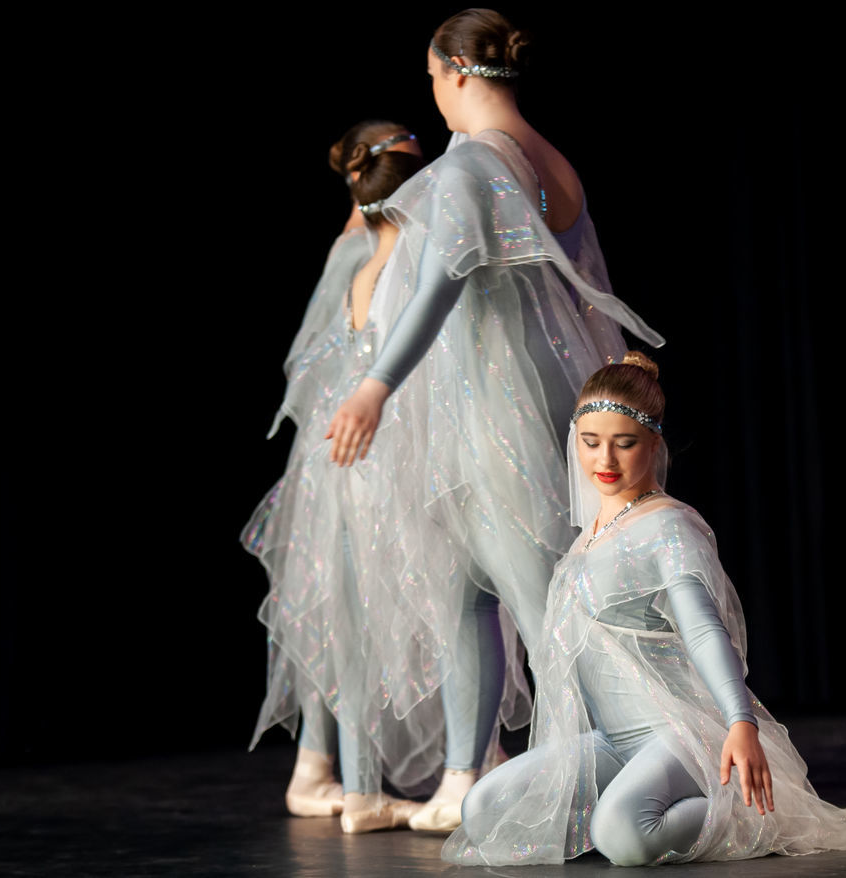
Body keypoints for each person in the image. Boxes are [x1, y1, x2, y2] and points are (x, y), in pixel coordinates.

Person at [325, 8, 665, 832]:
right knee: (463, 588)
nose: (434, 95)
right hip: (524, 393)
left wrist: (376, 383)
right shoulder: (549, 159)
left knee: (543, 597)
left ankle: (589, 780)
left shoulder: (475, 164)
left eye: (433, 77)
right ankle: (460, 773)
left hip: (503, 408)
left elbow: (443, 279)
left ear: (457, 70)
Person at [443, 352, 846, 866]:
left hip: (679, 735)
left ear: (654, 443)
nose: (605, 460)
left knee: (623, 837)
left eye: (624, 443)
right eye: (590, 442)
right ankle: (628, 805)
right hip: (610, 742)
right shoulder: (589, 539)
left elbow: (703, 627)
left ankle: (746, 814)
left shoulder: (668, 526)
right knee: (484, 809)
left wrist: (740, 721)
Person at [243, 121, 443, 834]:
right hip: (371, 455)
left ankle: (344, 773)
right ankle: (368, 779)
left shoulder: (363, 256)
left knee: (355, 614)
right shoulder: (393, 259)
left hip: (347, 454)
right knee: (372, 613)